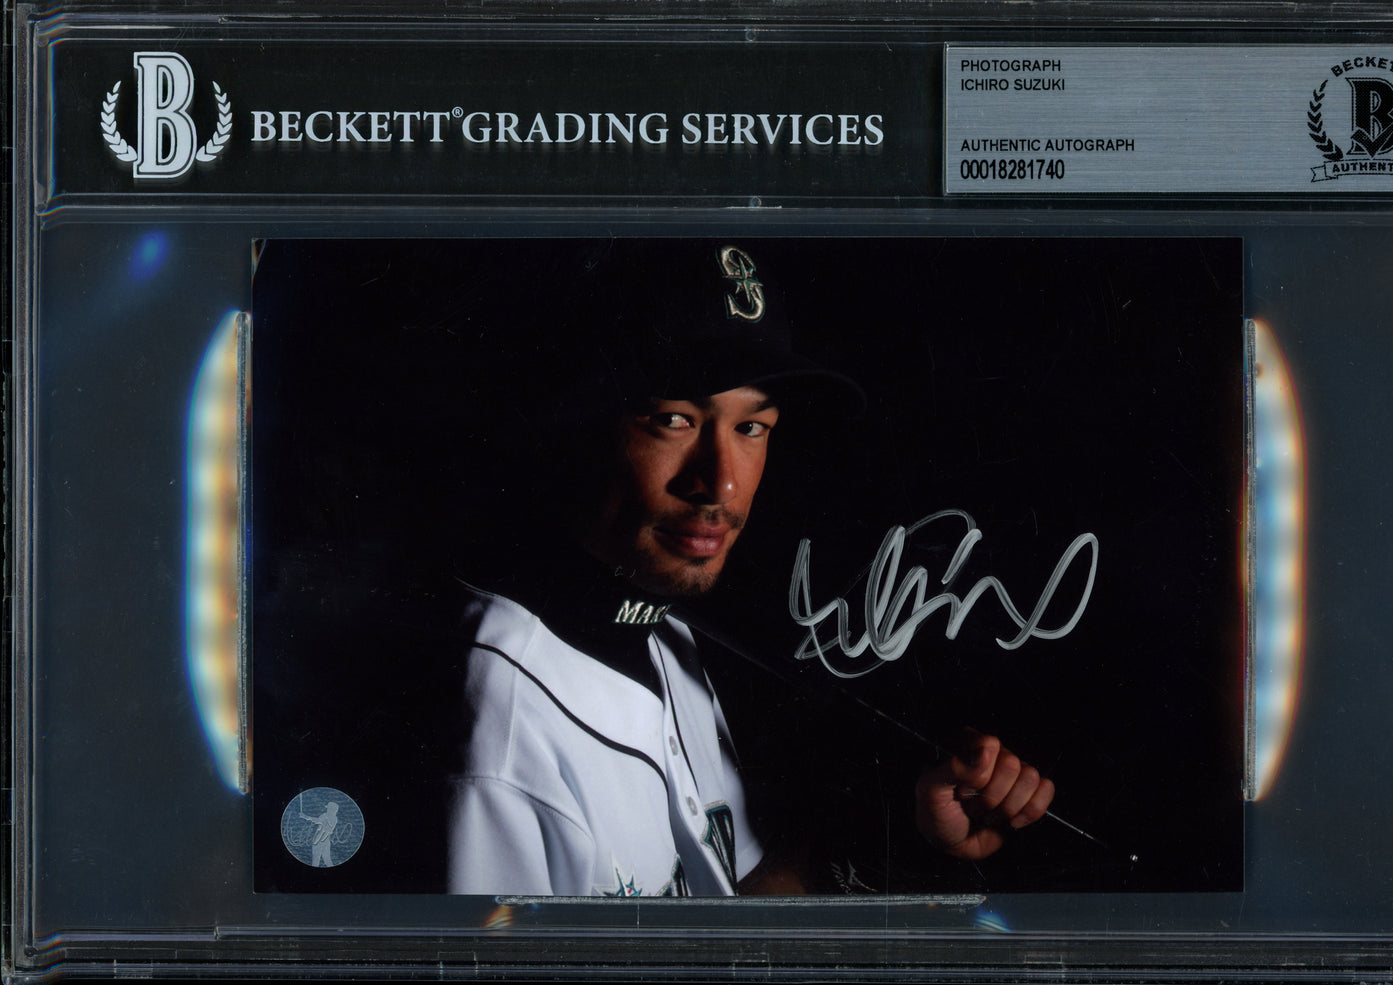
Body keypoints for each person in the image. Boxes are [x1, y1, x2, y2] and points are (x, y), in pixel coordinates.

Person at [443, 241, 1055, 896]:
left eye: (751, 428)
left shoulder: (665, 635)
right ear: (575, 424)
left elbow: (726, 908)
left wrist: (907, 844)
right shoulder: (495, 733)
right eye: (674, 420)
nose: (723, 485)